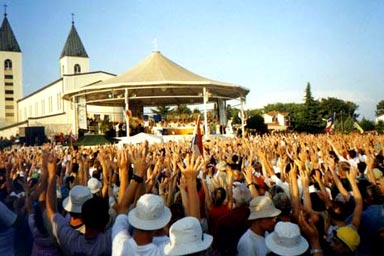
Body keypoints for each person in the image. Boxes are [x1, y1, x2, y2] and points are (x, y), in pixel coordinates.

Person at [46, 152, 112, 256]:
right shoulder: (108, 242)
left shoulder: (68, 236)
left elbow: (50, 210)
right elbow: (123, 209)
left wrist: (51, 174)